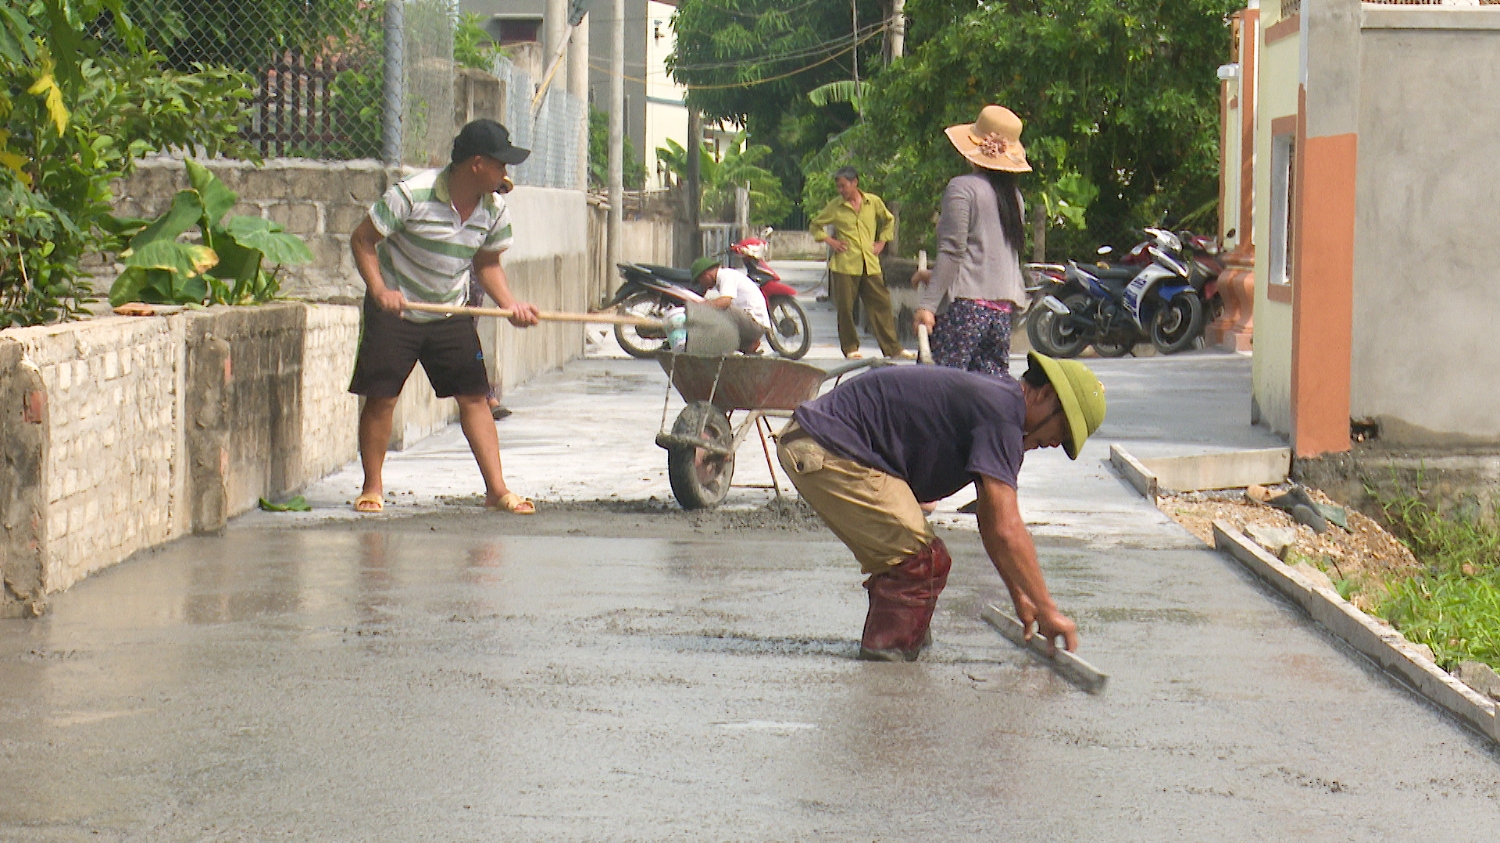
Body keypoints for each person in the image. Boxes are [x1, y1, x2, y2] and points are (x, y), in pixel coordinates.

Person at [776, 351, 1106, 661]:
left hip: (827, 442)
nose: (1052, 443)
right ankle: (886, 675)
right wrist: (1048, 609)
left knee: (916, 569)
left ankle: (901, 647)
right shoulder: (1003, 415)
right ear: (1044, 395)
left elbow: (992, 523)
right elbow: (1008, 529)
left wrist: (1021, 595)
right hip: (825, 446)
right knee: (920, 562)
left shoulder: (1002, 407)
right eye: (1061, 430)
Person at [347, 119, 540, 515]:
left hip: (450, 308)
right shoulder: (411, 195)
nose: (506, 173)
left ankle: (496, 490)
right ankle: (372, 486)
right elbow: (363, 240)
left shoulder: (494, 209)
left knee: (474, 397)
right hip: (395, 310)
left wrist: (510, 306)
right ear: (476, 164)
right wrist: (381, 290)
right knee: (382, 397)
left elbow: (487, 264)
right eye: (500, 164)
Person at [914, 105, 1031, 377]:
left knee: (936, 390)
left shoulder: (962, 188)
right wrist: (934, 277)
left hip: (965, 312)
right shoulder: (1014, 198)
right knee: (985, 396)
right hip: (1000, 316)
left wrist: (928, 305)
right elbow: (989, 256)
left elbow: (953, 251)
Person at [809, 166, 914, 360]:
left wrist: (882, 241)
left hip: (870, 263)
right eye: (838, 187)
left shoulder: (872, 202)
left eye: (844, 186)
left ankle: (893, 348)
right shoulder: (835, 206)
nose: (841, 191)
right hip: (845, 265)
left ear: (855, 182)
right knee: (846, 308)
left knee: (881, 305)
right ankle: (850, 347)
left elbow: (888, 220)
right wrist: (831, 241)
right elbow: (815, 225)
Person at [689, 255, 772, 354]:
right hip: (751, 322)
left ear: (706, 274)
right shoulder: (725, 277)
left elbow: (725, 302)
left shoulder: (725, 276)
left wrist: (704, 306)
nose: (701, 284)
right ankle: (748, 345)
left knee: (720, 309)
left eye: (700, 280)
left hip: (756, 323)